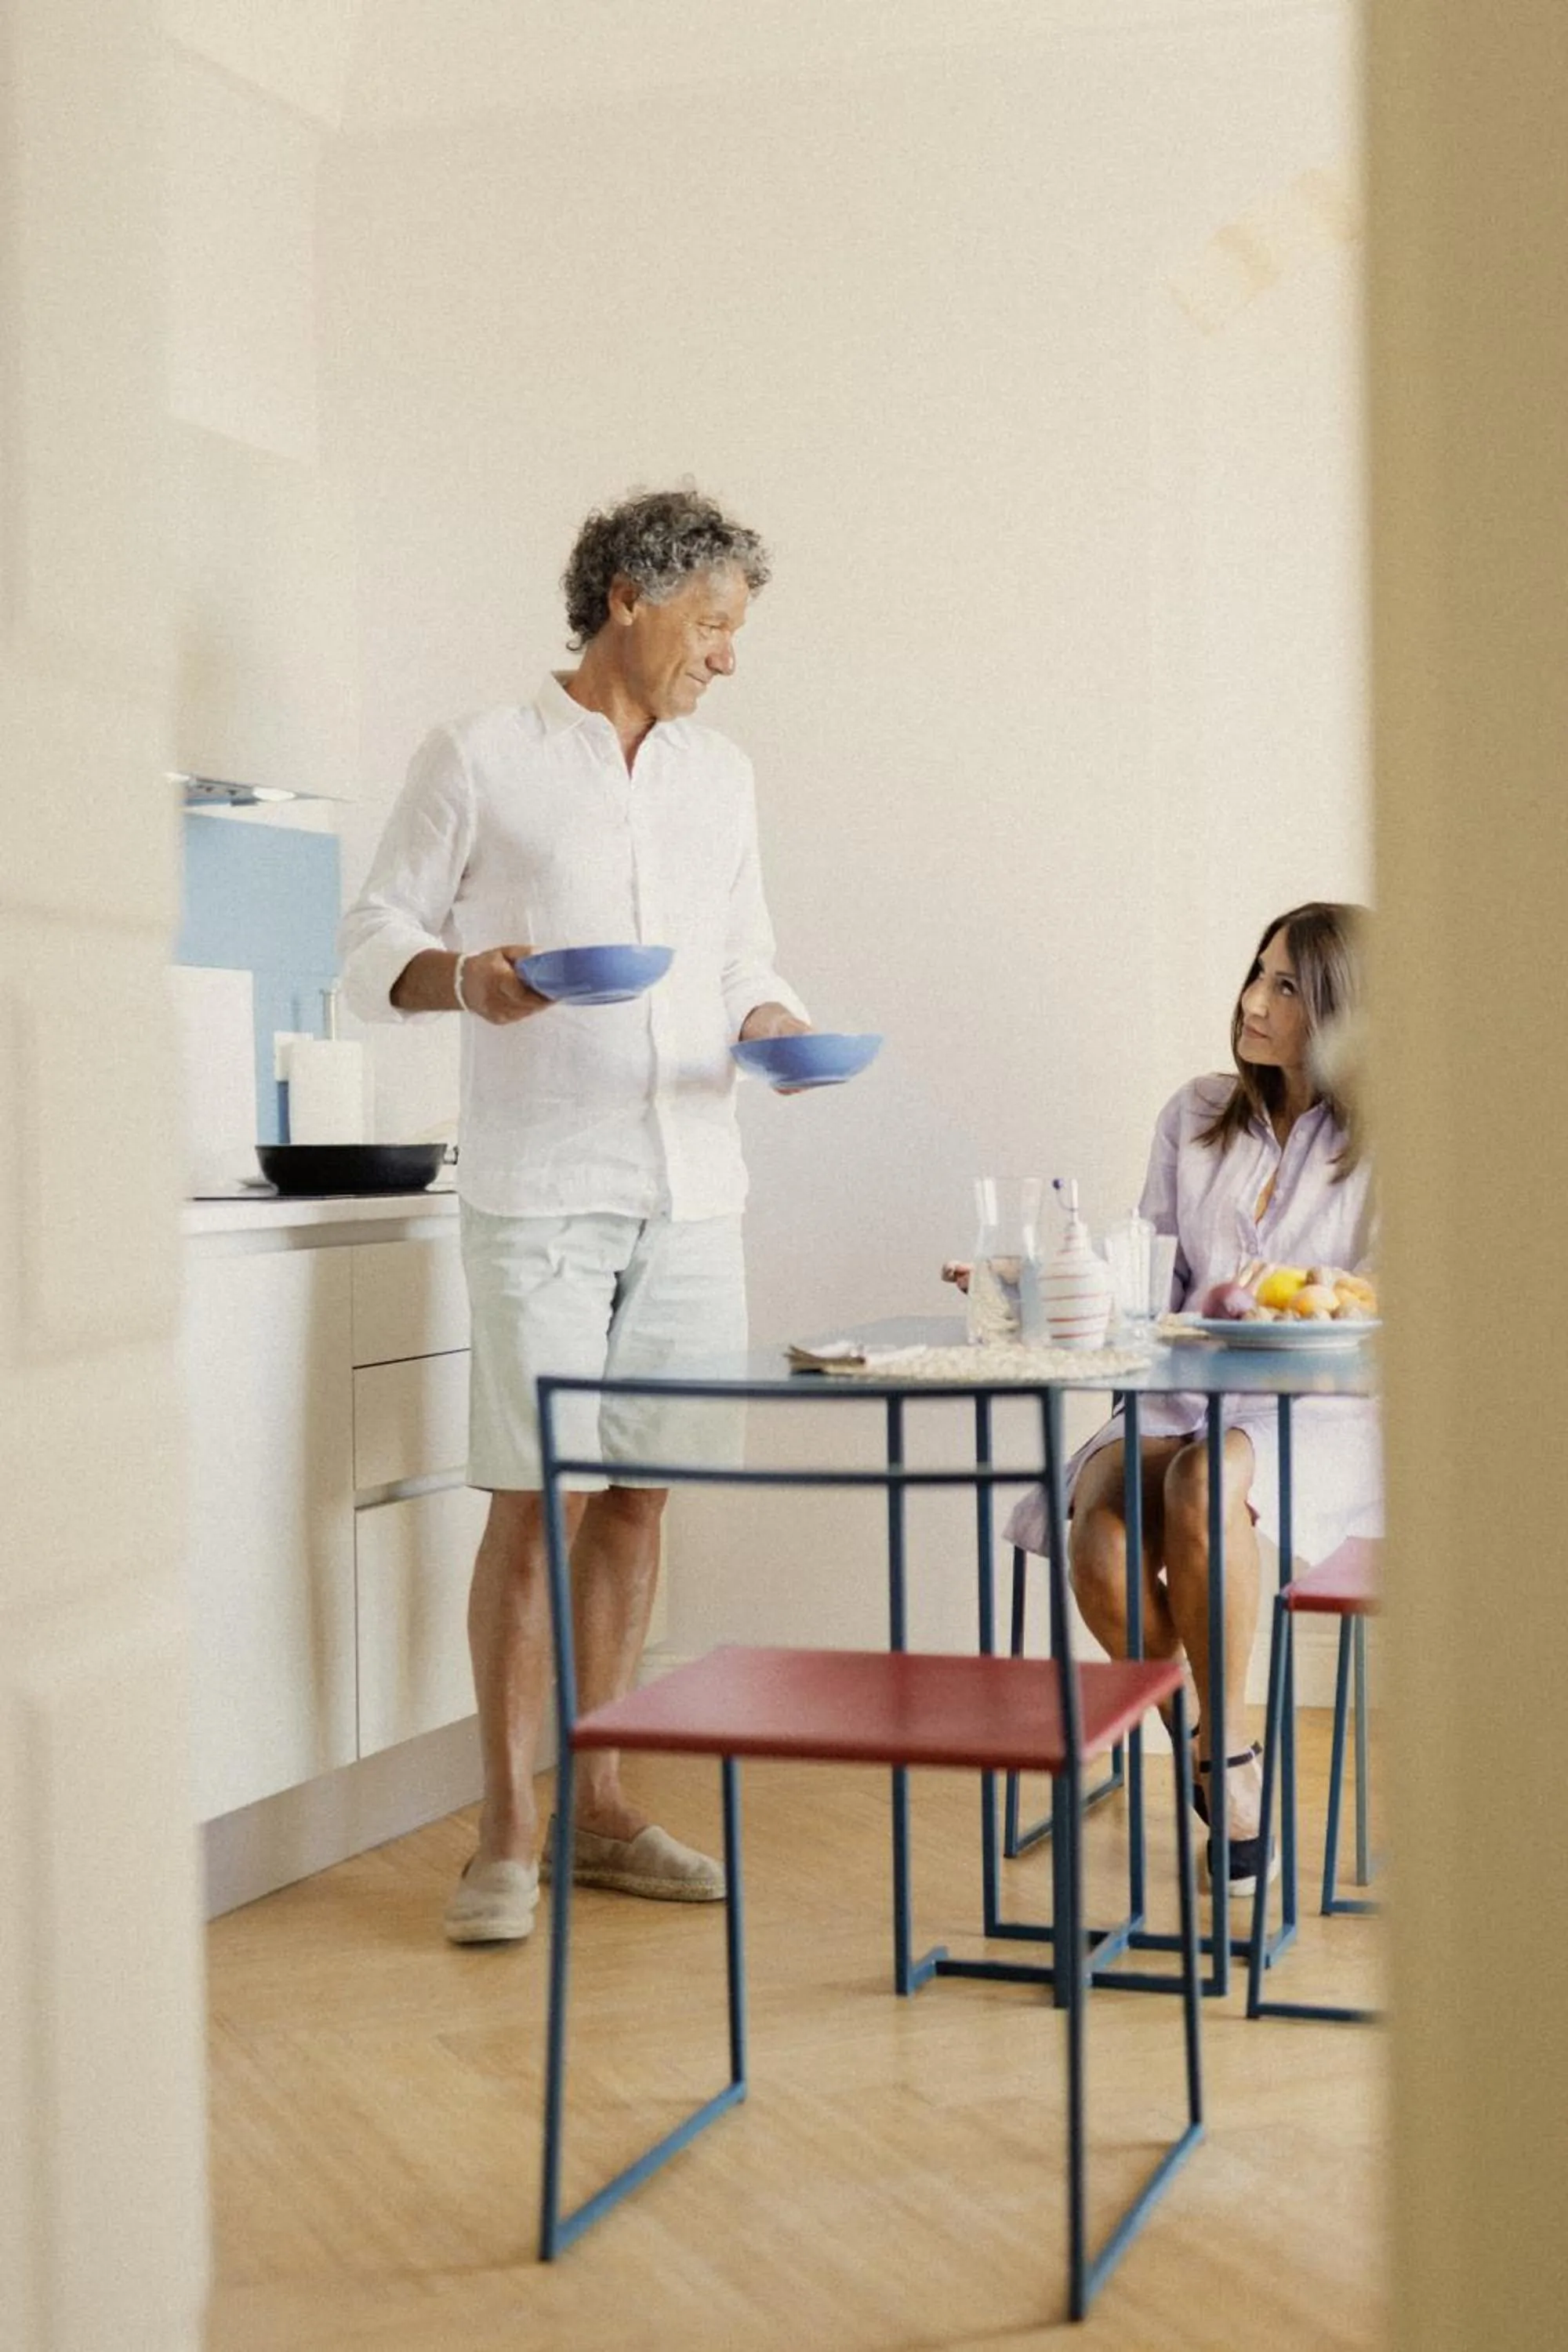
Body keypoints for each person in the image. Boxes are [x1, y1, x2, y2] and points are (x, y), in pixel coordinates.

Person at [339, 488, 811, 1944]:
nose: (727, 656)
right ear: (627, 597)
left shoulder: (721, 776)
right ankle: (505, 1827)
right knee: (535, 1497)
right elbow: (371, 938)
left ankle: (599, 1806)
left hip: (694, 1188)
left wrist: (776, 1021)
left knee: (641, 1494)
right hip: (542, 1190)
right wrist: (469, 980)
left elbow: (742, 958)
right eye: (712, 624)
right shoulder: (481, 753)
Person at [1004, 901, 1379, 1891]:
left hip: (1318, 1411)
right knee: (1098, 1540)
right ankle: (1217, 1746)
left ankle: (1227, 1752)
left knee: (1202, 1486)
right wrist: (1039, 1284)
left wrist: (1311, 1297)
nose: (1252, 1001)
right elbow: (1148, 1284)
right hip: (1179, 1395)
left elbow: (1389, 1296)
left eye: (1285, 987)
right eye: (1255, 973)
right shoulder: (1195, 1113)